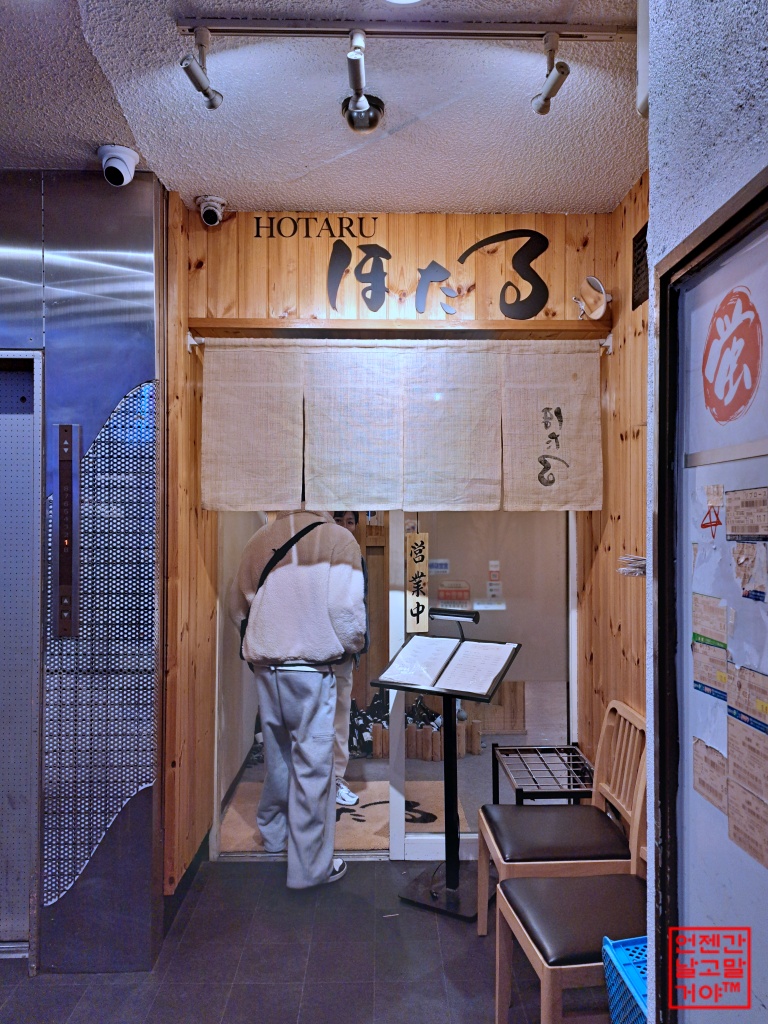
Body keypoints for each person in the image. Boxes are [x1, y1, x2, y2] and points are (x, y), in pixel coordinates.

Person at [229, 509, 366, 888]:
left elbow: (236, 605)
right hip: (311, 666)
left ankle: (274, 835)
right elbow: (345, 611)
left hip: (266, 663)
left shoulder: (260, 538)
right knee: (314, 765)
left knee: (278, 756)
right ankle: (310, 868)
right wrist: (352, 645)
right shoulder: (339, 539)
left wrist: (263, 637)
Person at [332, 511, 365, 806]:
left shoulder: (357, 557)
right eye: (338, 520)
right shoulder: (320, 553)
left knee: (341, 714)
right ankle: (316, 782)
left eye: (350, 521)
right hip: (315, 649)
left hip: (344, 650)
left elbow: (360, 605)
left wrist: (358, 647)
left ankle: (337, 779)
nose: (344, 526)